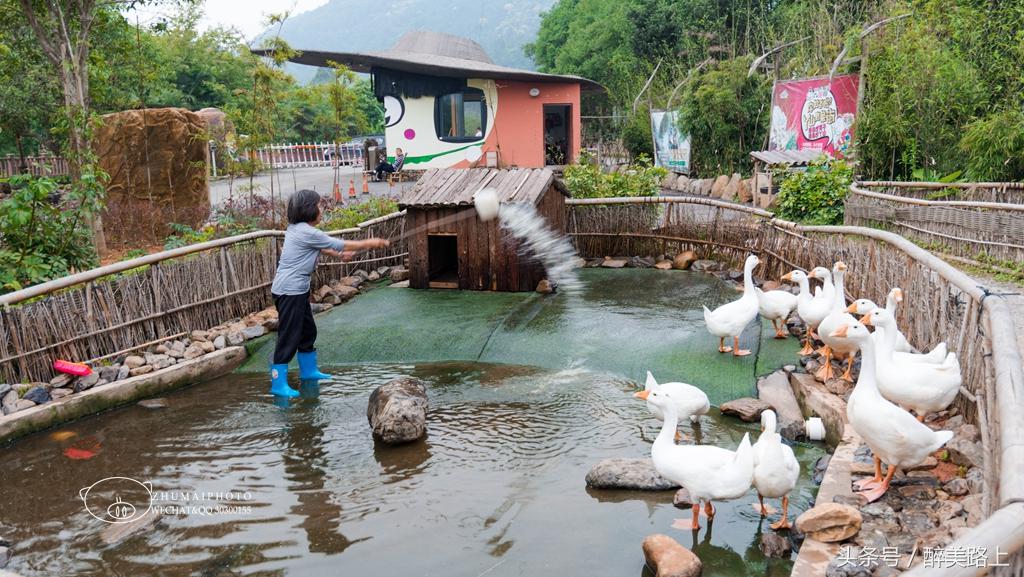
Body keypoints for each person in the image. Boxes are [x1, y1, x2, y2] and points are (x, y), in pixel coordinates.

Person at [269, 189, 389, 397]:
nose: (321, 209)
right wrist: (370, 243)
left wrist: (338, 255)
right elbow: (335, 243)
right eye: (318, 205)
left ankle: (308, 372)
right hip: (289, 292)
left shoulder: (299, 230)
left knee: (307, 332)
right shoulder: (306, 231)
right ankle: (278, 385)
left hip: (297, 291)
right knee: (289, 337)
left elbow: (323, 248)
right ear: (308, 209)